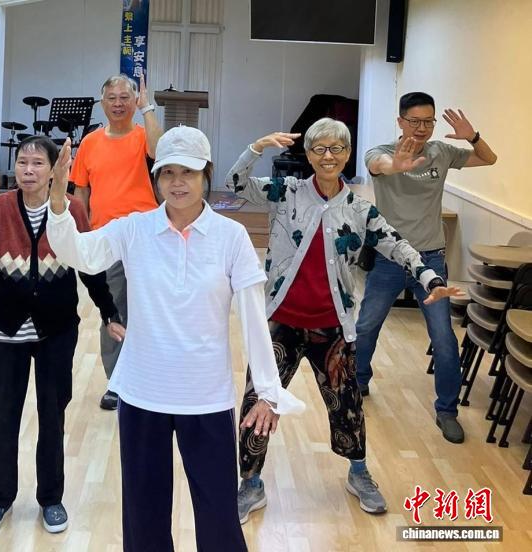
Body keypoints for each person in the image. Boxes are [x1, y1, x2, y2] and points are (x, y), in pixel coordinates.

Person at [47, 127, 304, 552]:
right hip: (143, 392)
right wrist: (59, 202)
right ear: (156, 177)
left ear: (206, 175)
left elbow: (253, 318)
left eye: (188, 172)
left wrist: (268, 392)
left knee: (219, 515)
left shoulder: (231, 236)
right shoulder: (134, 229)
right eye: (167, 172)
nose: (177, 182)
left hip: (205, 396)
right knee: (143, 516)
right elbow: (79, 253)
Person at [225, 118, 463, 520]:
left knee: (348, 405)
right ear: (308, 154)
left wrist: (431, 278)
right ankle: (250, 484)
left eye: (336, 148)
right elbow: (235, 183)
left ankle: (358, 473)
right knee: (257, 402)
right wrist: (257, 147)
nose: (328, 156)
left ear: (348, 154)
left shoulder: (359, 209)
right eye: (319, 148)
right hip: (281, 323)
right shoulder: (287, 192)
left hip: (332, 326)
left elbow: (397, 244)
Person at [0, 136, 122, 537]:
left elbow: (88, 266)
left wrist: (108, 311)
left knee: (52, 414)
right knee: (4, 415)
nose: (28, 170)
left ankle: (51, 499)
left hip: (56, 329)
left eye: (37, 163)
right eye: (22, 163)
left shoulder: (71, 208)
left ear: (53, 171)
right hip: (5, 328)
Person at [355, 92, 498, 444]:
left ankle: (447, 410)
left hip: (430, 260)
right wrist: (397, 166)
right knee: (367, 326)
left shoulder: (442, 152)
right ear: (400, 121)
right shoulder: (380, 152)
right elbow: (378, 166)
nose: (421, 128)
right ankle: (358, 381)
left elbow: (489, 159)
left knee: (444, 337)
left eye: (428, 121)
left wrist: (473, 136)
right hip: (390, 258)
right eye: (414, 121)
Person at [71, 73, 163, 410]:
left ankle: (148, 378)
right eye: (112, 98)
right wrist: (82, 236)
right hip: (106, 239)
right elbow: (80, 193)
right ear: (103, 102)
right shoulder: (90, 143)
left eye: (125, 98)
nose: (118, 104)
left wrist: (148, 108)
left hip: (145, 237)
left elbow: (159, 151)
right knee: (113, 313)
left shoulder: (142, 136)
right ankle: (117, 382)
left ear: (134, 102)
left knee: (149, 310)